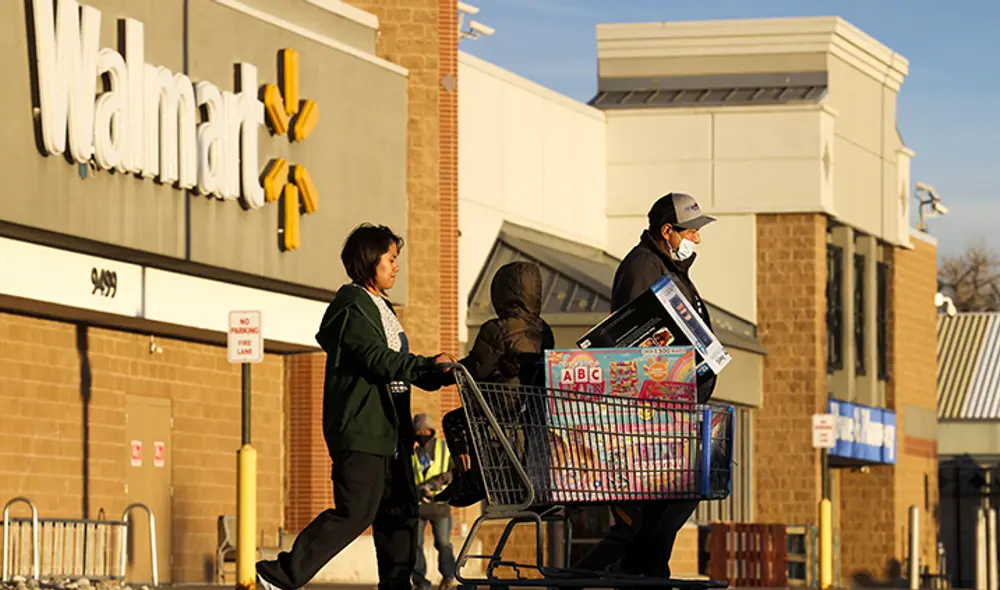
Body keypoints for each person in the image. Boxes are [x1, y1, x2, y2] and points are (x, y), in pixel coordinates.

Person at [256, 223, 456, 590]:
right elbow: (377, 359)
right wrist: (427, 364)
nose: (397, 266)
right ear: (370, 260)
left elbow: (400, 366)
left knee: (401, 514)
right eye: (391, 259)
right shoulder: (351, 308)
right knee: (356, 511)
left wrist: (444, 373)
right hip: (363, 430)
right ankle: (279, 574)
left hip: (392, 433)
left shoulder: (384, 308)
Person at [574, 192, 718, 580]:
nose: (697, 240)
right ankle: (629, 576)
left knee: (651, 526)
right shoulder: (643, 269)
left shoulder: (669, 269)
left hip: (670, 413)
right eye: (690, 232)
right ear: (667, 230)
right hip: (650, 419)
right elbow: (636, 345)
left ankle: (642, 576)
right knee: (655, 518)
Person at [434, 261, 555, 507]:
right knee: (487, 429)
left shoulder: (497, 329)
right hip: (529, 407)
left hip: (500, 403)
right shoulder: (544, 330)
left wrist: (449, 371)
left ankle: (469, 478)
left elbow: (477, 368)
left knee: (455, 422)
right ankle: (479, 477)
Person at [411, 414, 458, 590]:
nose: (422, 433)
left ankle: (448, 576)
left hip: (440, 506)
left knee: (443, 543)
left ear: (432, 430)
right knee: (415, 545)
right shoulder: (412, 454)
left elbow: (455, 471)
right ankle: (420, 581)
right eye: (418, 431)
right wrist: (418, 490)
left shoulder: (444, 448)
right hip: (418, 507)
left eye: (425, 429)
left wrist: (442, 479)